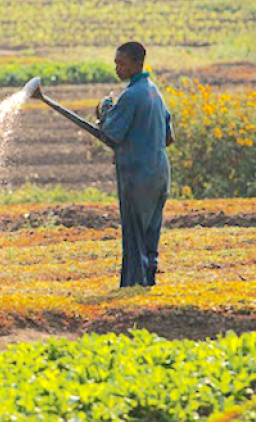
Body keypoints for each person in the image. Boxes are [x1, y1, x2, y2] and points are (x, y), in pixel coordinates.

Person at [98, 41, 174, 287]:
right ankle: (148, 281)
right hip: (159, 173)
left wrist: (106, 109)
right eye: (115, 63)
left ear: (136, 64)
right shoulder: (154, 92)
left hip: (137, 175)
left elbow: (111, 133)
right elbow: (168, 137)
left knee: (134, 234)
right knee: (150, 232)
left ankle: (132, 284)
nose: (117, 68)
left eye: (121, 63)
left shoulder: (131, 95)